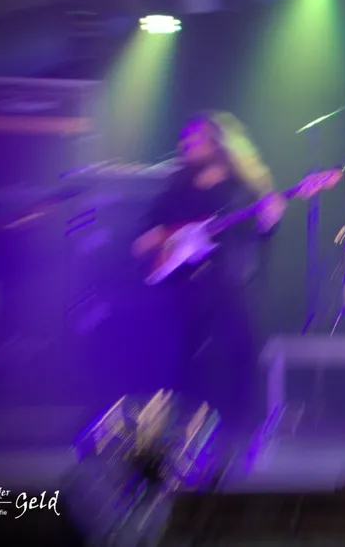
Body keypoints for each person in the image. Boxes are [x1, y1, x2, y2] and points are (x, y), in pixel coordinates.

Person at [132, 111, 290, 448]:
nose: (188, 145)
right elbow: (148, 229)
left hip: (228, 281)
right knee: (182, 357)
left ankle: (243, 432)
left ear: (218, 144)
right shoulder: (177, 184)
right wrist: (161, 238)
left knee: (242, 351)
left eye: (197, 139)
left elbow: (258, 235)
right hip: (184, 284)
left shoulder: (241, 188)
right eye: (186, 140)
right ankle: (179, 431)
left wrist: (269, 221)